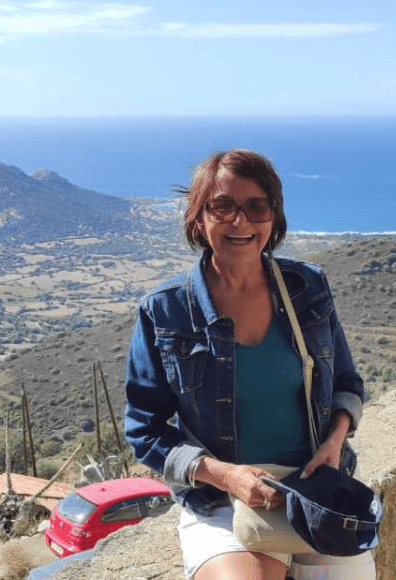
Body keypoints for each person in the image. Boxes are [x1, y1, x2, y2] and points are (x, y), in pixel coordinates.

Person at [124, 149, 374, 580]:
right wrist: (225, 476)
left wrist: (335, 441)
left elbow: (346, 384)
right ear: (198, 218)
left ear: (273, 217)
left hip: (315, 493)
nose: (240, 221)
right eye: (222, 206)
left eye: (256, 206)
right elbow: (144, 430)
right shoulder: (165, 312)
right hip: (223, 501)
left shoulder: (307, 288)